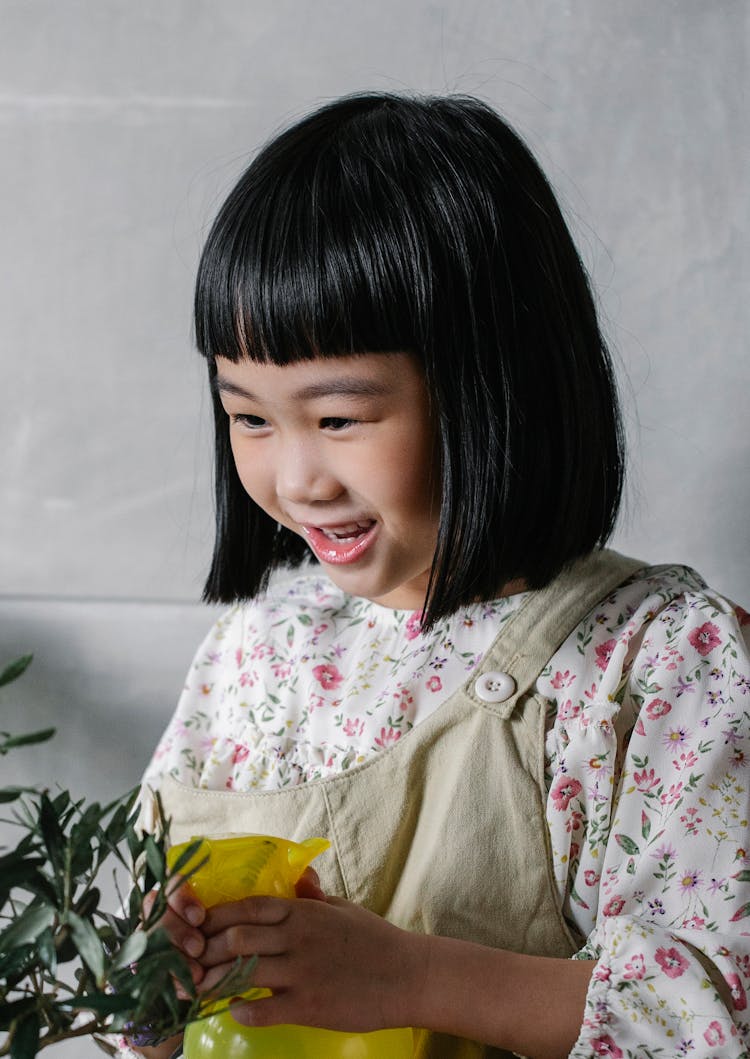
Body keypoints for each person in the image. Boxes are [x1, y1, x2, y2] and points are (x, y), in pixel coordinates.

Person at [121, 93, 750, 1059]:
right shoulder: (256, 652)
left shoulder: (661, 663)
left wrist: (413, 977)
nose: (295, 479)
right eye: (249, 417)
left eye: (338, 418)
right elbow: (128, 988)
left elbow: (715, 1021)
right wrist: (149, 982)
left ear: (493, 389)